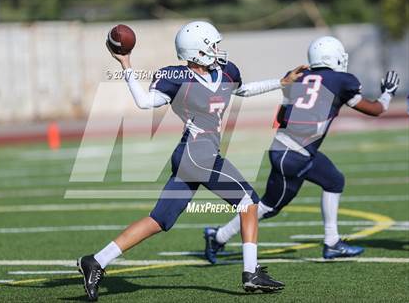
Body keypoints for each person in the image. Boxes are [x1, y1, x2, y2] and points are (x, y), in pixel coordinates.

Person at [77, 21, 306, 301]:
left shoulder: (226, 71)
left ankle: (96, 261)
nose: (217, 49)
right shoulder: (176, 77)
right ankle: (251, 273)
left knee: (158, 220)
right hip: (199, 155)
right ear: (197, 50)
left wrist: (280, 82)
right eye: (212, 45)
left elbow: (242, 90)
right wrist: (126, 63)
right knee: (249, 202)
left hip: (192, 155)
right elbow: (144, 102)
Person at [204, 36, 400, 264]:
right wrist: (388, 93)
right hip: (296, 154)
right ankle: (218, 236)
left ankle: (332, 241)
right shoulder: (342, 80)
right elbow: (376, 109)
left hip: (285, 148)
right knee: (271, 206)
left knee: (333, 180)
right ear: (334, 57)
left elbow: (280, 117)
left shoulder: (298, 77)